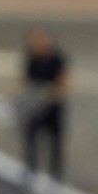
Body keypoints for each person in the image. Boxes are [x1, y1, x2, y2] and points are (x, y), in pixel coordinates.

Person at [21, 26, 68, 182]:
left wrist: (50, 94)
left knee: (55, 141)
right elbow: (26, 80)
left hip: (53, 105)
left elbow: (64, 82)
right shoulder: (32, 58)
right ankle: (31, 168)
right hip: (35, 104)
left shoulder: (56, 59)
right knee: (30, 137)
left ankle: (55, 173)